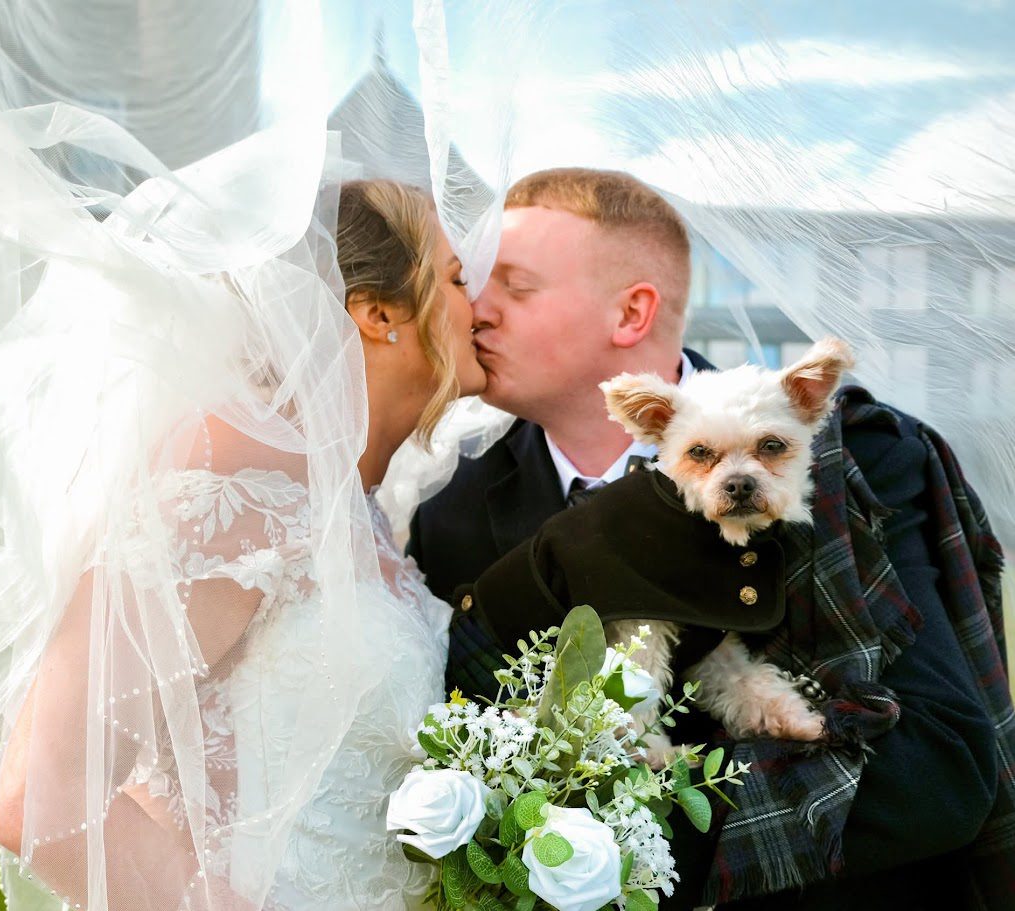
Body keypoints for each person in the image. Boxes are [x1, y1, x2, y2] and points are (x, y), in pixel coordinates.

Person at [409, 168, 1012, 910]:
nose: (476, 311)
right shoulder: (449, 514)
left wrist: (627, 841)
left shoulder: (861, 462)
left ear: (631, 312)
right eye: (473, 284)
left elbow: (941, 770)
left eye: (516, 286)